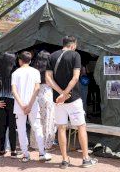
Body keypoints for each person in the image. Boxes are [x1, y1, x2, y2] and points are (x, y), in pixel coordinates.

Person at [46, 36, 98, 169]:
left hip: (57, 100)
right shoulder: (75, 55)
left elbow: (48, 79)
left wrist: (60, 94)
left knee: (61, 128)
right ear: (73, 45)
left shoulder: (51, 56)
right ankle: (85, 159)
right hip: (73, 98)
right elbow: (75, 78)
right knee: (81, 126)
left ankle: (64, 160)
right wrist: (66, 94)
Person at [11, 51, 51, 162]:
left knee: (22, 129)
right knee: (37, 127)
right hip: (32, 104)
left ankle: (25, 154)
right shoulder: (35, 72)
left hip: (19, 106)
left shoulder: (15, 73)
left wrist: (22, 105)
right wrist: (29, 105)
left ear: (20, 60)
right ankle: (42, 153)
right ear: (30, 60)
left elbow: (14, 91)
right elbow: (37, 89)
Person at [30, 50, 56, 150]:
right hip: (47, 93)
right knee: (48, 119)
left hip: (36, 94)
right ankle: (46, 144)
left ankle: (35, 143)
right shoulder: (50, 69)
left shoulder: (34, 69)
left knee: (36, 120)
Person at [0, 52, 18, 158]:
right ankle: (13, 151)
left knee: (2, 126)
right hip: (13, 101)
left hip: (1, 100)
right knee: (12, 126)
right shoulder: (16, 70)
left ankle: (1, 150)